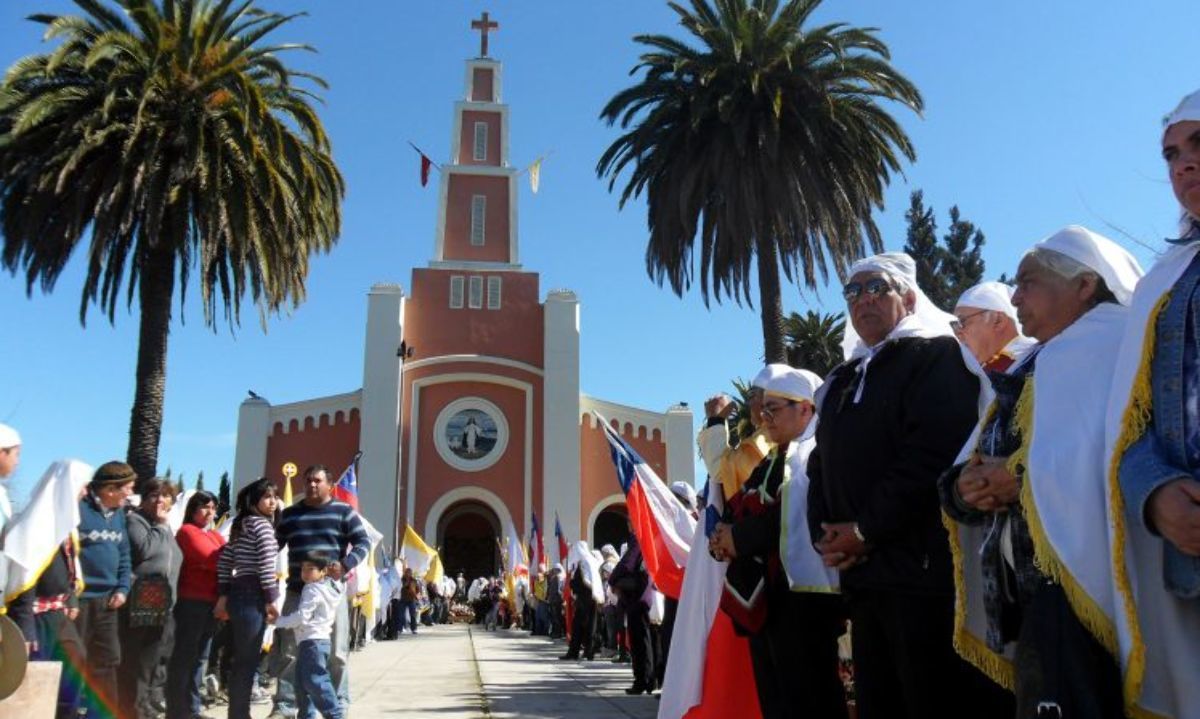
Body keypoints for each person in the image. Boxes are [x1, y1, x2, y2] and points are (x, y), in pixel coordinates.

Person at [942, 227, 1141, 717]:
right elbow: (968, 461)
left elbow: (1113, 453)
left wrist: (1021, 479)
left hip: (1092, 596)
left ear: (1084, 285)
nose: (1014, 296)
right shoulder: (1026, 362)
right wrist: (964, 488)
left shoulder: (1114, 343)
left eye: (1028, 282)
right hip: (1029, 598)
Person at [806, 252, 1010, 719]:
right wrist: (828, 535)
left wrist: (863, 530)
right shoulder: (842, 379)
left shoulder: (936, 356)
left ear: (910, 297)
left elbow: (931, 456)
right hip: (863, 576)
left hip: (920, 573)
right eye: (853, 292)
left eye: (877, 287)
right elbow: (820, 465)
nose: (863, 300)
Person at [1107, 88, 1200, 718]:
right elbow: (1128, 419)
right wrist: (1153, 491)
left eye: (1198, 146)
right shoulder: (1164, 282)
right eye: (1171, 154)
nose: (1182, 166)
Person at [710, 367, 846, 718]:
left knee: (809, 697)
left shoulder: (817, 453)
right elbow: (739, 502)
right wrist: (723, 537)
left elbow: (796, 512)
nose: (763, 417)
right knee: (775, 698)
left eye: (773, 409)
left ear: (805, 409)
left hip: (804, 601)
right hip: (766, 599)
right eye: (763, 408)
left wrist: (738, 538)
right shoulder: (771, 458)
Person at [269, 465, 370, 719]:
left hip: (330, 595)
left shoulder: (344, 511)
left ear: (329, 484)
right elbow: (272, 546)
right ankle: (285, 706)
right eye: (308, 481)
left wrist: (346, 564)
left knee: (336, 652)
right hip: (296, 592)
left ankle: (338, 705)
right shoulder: (290, 515)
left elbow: (363, 542)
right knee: (290, 652)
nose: (312, 485)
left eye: (317, 481)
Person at [5, 460, 91, 719]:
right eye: (82, 486)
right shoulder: (34, 526)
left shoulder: (65, 527)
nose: (85, 493)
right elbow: (23, 578)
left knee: (75, 662)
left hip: (58, 613)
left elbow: (70, 571)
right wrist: (25, 627)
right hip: (34, 616)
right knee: (34, 676)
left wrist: (72, 600)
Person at [215, 478, 280, 719]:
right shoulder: (262, 526)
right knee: (247, 661)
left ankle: (238, 713)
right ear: (255, 500)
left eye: (274, 497)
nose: (272, 502)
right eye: (267, 497)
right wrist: (271, 599)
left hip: (238, 594)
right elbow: (265, 566)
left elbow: (224, 561)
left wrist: (224, 593)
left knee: (240, 660)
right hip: (254, 595)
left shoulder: (240, 525)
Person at [75, 460, 136, 712]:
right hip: (79, 601)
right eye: (128, 488)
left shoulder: (119, 515)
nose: (130, 493)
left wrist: (122, 588)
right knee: (76, 661)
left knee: (108, 660)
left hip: (109, 601)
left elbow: (124, 555)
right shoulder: (78, 510)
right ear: (111, 489)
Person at [120, 477, 183, 719]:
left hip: (164, 601)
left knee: (155, 659)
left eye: (166, 496)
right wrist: (160, 524)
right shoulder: (135, 521)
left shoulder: (166, 526)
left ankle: (143, 705)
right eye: (154, 495)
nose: (160, 500)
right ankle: (132, 709)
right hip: (143, 598)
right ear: (144, 499)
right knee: (139, 660)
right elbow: (146, 549)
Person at [167, 490, 226, 719]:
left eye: (212, 507)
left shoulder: (214, 534)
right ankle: (177, 710)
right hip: (192, 602)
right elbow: (211, 559)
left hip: (211, 604)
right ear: (192, 509)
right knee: (185, 658)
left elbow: (226, 556)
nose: (209, 512)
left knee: (200, 658)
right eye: (204, 507)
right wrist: (224, 560)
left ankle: (191, 708)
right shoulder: (187, 532)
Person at [273, 552, 345, 719]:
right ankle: (307, 715)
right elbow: (339, 585)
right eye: (303, 568)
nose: (305, 573)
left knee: (316, 681)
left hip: (312, 641)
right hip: (318, 641)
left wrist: (278, 621)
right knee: (302, 684)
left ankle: (335, 714)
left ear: (322, 571)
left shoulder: (312, 589)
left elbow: (301, 617)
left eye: (311, 569)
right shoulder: (331, 587)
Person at [952, 280, 1038, 372]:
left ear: (998, 320)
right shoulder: (986, 368)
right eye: (954, 325)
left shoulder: (1035, 364)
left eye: (962, 321)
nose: (957, 333)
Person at [609, 532, 654, 694]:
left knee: (639, 641)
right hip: (643, 597)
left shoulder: (639, 541)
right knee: (646, 640)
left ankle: (642, 680)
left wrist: (612, 580)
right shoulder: (645, 541)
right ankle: (648, 680)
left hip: (637, 598)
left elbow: (626, 564)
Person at [559, 541, 603, 661]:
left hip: (584, 600)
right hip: (591, 599)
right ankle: (588, 652)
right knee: (589, 626)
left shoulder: (583, 564)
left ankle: (574, 652)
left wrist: (572, 583)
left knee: (579, 627)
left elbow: (581, 583)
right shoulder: (592, 562)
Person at [398, 567, 420, 634]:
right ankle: (400, 628)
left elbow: (418, 589)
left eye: (409, 573)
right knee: (401, 615)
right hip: (403, 599)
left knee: (412, 615)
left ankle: (414, 629)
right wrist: (406, 583)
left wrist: (416, 594)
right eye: (407, 572)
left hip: (411, 599)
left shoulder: (414, 580)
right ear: (405, 573)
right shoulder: (402, 580)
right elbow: (400, 588)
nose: (408, 574)